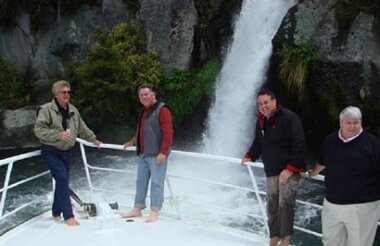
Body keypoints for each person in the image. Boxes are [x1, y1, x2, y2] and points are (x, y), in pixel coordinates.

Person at [241, 88, 306, 246]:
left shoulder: (289, 118)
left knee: (285, 202)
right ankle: (274, 237)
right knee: (272, 204)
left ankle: (285, 240)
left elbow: (300, 143)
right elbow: (259, 143)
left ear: (274, 102)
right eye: (260, 104)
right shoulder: (261, 121)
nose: (263, 106)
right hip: (272, 171)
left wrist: (290, 168)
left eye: (266, 102)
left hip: (290, 171)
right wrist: (250, 155)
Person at [308, 106, 380, 246]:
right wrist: (312, 173)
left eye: (356, 122)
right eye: (349, 123)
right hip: (332, 204)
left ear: (361, 123)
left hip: (362, 207)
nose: (352, 126)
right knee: (330, 242)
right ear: (341, 123)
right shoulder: (330, 140)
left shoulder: (373, 144)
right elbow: (323, 161)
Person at [34, 80, 101, 226]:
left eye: (68, 92)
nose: (66, 95)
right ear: (56, 94)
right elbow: (39, 130)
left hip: (66, 151)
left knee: (61, 181)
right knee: (63, 178)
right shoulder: (46, 110)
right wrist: (57, 135)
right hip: (51, 151)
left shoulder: (73, 110)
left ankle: (56, 212)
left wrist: (93, 139)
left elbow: (82, 127)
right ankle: (68, 215)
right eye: (63, 92)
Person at [123, 83, 173, 223]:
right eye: (141, 95)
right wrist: (132, 142)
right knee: (141, 182)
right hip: (143, 154)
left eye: (146, 94)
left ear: (153, 94)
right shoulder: (144, 111)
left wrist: (163, 152)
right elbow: (142, 130)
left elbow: (168, 133)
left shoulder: (163, 110)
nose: (144, 97)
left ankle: (155, 211)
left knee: (157, 183)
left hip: (157, 155)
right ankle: (137, 209)